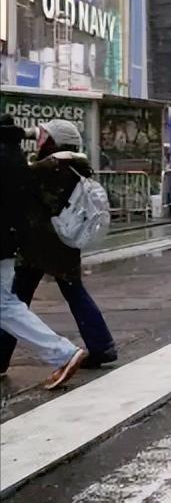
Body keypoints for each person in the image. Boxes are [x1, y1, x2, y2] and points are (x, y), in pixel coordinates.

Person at [0, 120, 118, 374]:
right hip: (61, 242)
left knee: (11, 301)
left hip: (39, 243)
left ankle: (2, 355)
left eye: (44, 135)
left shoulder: (52, 167)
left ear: (55, 140)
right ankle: (102, 345)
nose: (39, 138)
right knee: (66, 294)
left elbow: (29, 192)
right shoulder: (74, 166)